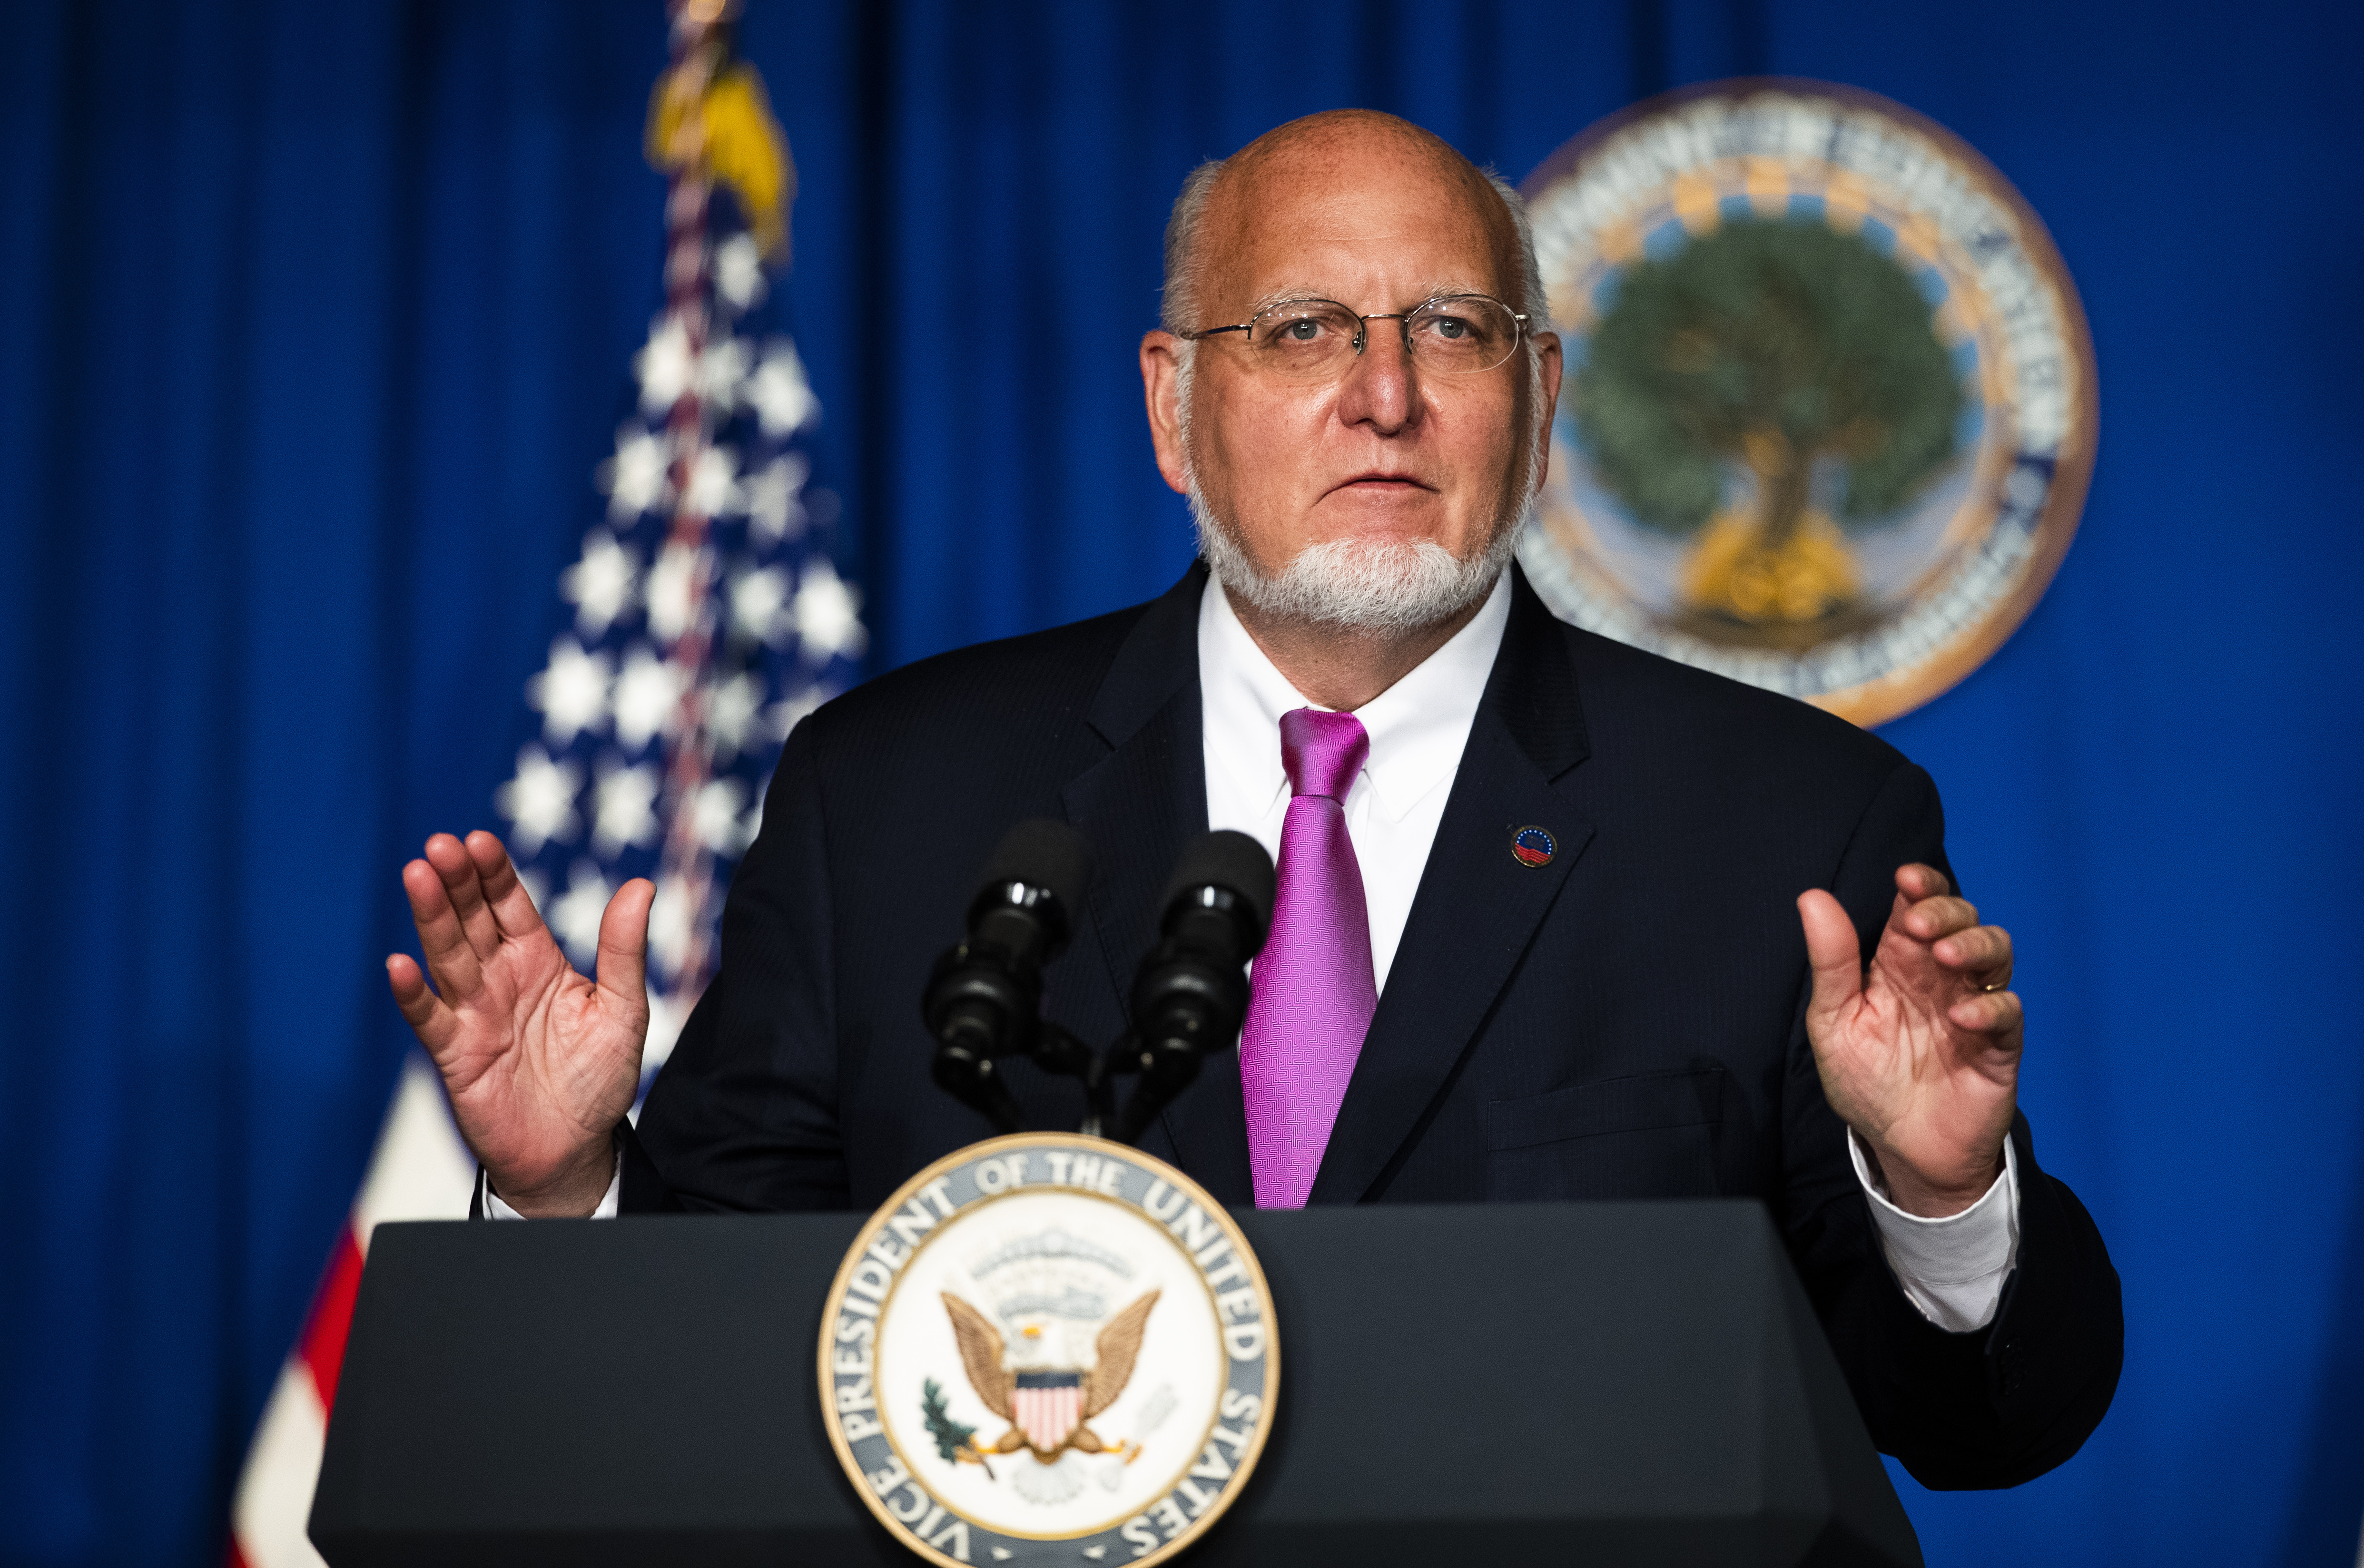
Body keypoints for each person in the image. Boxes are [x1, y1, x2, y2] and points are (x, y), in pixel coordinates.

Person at [387, 110, 2119, 1487]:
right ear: (1172, 404)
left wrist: (1943, 1194)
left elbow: (1983, 1430)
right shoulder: (894, 797)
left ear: (1539, 396)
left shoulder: (1788, 826)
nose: (1385, 393)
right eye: (1303, 329)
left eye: (1452, 326)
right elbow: (715, 1363)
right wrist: (565, 1195)